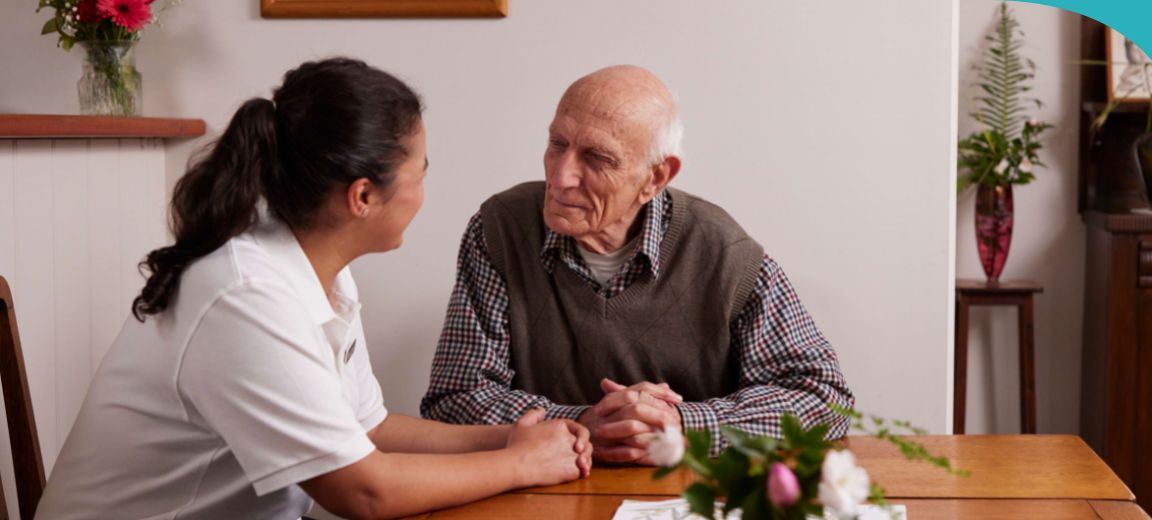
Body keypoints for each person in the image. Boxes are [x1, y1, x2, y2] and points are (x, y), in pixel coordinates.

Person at [37, 58, 590, 520]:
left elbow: (370, 430)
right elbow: (364, 491)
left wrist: (524, 439)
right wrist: (521, 466)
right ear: (363, 196)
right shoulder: (247, 296)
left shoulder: (316, 268)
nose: (425, 191)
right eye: (421, 173)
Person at [421, 65, 854, 465]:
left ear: (656, 177)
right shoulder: (500, 230)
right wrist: (583, 421)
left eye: (597, 158)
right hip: (541, 493)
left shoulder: (722, 251)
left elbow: (822, 398)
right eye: (557, 144)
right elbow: (453, 398)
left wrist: (681, 424)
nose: (560, 176)